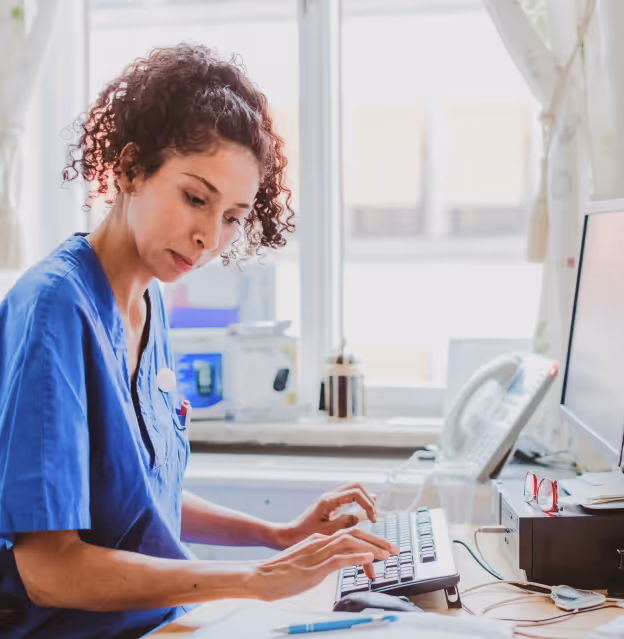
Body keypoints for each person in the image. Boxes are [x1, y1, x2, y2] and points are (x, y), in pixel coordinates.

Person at [0, 44, 395, 639]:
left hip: (164, 624)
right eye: (195, 198)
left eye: (233, 217)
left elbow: (136, 500)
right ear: (130, 169)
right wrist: (254, 577)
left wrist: (279, 537)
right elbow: (50, 570)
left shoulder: (150, 299)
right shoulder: (55, 307)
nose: (209, 237)